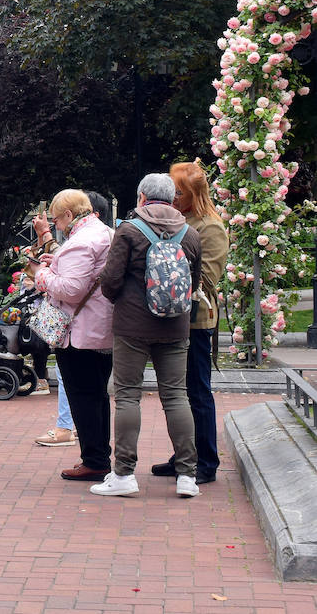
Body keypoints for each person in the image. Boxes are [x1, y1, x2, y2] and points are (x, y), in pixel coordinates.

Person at [94, 173, 204, 498]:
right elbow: (194, 285)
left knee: (128, 395)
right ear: (173, 199)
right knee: (177, 396)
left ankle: (124, 475)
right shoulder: (191, 234)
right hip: (175, 327)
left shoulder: (128, 231)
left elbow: (110, 280)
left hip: (132, 327)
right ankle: (187, 476)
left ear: (142, 197)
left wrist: (124, 302)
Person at [148, 161, 228, 485]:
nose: (172, 196)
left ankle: (206, 460)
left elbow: (207, 278)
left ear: (191, 193)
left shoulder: (210, 226)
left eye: (178, 192)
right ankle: (184, 455)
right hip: (176, 319)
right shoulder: (181, 220)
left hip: (196, 321)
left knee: (197, 391)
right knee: (178, 393)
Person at [26, 189, 114, 481]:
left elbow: (72, 290)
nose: (56, 226)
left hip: (80, 333)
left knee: (84, 397)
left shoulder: (82, 241)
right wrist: (57, 263)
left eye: (57, 220)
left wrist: (40, 273)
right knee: (97, 396)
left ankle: (94, 460)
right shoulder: (102, 232)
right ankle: (98, 456)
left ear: (68, 214)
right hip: (98, 328)